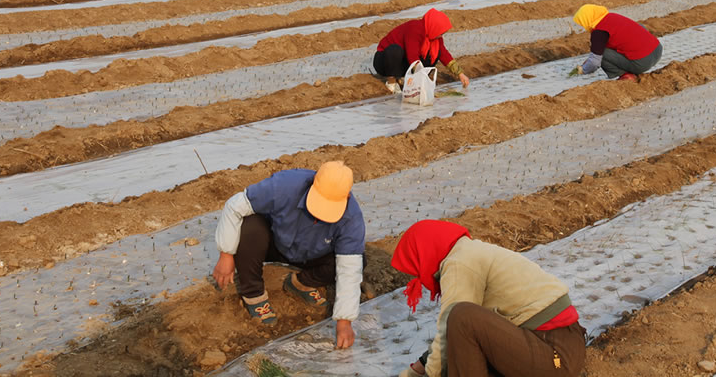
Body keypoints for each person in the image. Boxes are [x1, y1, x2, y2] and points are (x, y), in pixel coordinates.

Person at [391, 220, 586, 377]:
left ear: (424, 253)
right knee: (464, 349)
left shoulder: (460, 264)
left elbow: (450, 329)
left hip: (554, 356)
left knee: (462, 316)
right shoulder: (470, 252)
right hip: (556, 348)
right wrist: (418, 367)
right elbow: (453, 336)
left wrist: (430, 373)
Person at [211, 161, 364, 348]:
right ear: (313, 183)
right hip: (274, 243)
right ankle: (254, 295)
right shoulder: (284, 185)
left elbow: (350, 268)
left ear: (347, 196)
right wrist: (226, 254)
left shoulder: (351, 217)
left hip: (311, 256)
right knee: (250, 226)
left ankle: (301, 282)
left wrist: (344, 321)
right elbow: (235, 205)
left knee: (358, 260)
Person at [373, 7, 471, 93]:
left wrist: (460, 74)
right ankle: (392, 83)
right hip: (385, 62)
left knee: (436, 52)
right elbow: (412, 55)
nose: (441, 36)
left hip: (402, 62)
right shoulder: (415, 29)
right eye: (441, 33)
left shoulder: (434, 35)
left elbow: (444, 55)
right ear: (434, 27)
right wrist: (422, 79)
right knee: (395, 50)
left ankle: (405, 79)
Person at [571, 4, 662, 81]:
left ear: (587, 20)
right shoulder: (611, 16)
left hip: (643, 63)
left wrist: (582, 70)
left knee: (603, 54)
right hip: (657, 50)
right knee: (639, 26)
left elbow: (595, 63)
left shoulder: (598, 32)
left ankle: (625, 75)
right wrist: (591, 59)